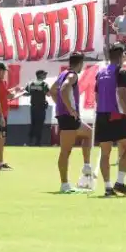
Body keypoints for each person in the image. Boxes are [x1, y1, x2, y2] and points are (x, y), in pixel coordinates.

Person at [95, 44, 126, 196]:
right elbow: (121, 93)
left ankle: (107, 188)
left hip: (101, 114)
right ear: (121, 56)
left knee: (105, 153)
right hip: (116, 115)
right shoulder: (122, 72)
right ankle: (119, 182)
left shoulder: (100, 73)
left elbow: (96, 96)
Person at [53, 53, 95, 193]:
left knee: (89, 132)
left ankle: (86, 165)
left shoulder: (62, 73)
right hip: (68, 117)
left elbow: (52, 91)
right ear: (80, 63)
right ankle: (64, 184)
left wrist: (61, 105)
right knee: (65, 151)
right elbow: (64, 88)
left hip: (67, 117)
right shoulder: (72, 75)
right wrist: (69, 109)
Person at [25, 70, 49, 146]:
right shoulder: (44, 84)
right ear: (40, 75)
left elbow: (26, 93)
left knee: (33, 124)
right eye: (44, 74)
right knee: (40, 125)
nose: (45, 76)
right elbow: (48, 94)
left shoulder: (31, 84)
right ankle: (37, 142)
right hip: (41, 108)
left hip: (33, 107)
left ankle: (30, 141)